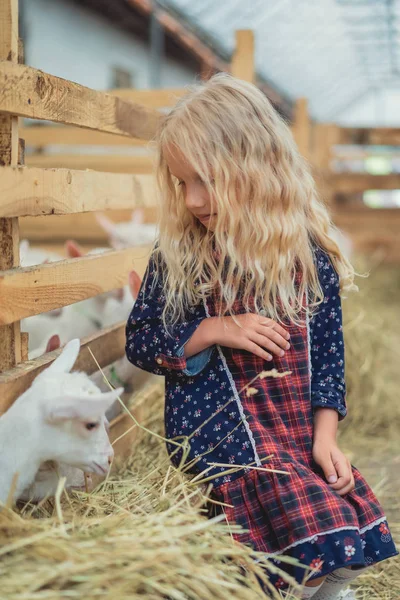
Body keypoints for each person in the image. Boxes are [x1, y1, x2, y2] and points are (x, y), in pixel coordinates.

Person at [125, 74, 397, 599]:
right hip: (222, 438)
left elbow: (328, 358)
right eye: (182, 184)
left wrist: (325, 436)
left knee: (342, 524)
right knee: (293, 516)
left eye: (205, 179)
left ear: (253, 168)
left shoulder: (306, 258)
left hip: (291, 432)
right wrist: (213, 329)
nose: (194, 200)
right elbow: (142, 340)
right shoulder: (179, 257)